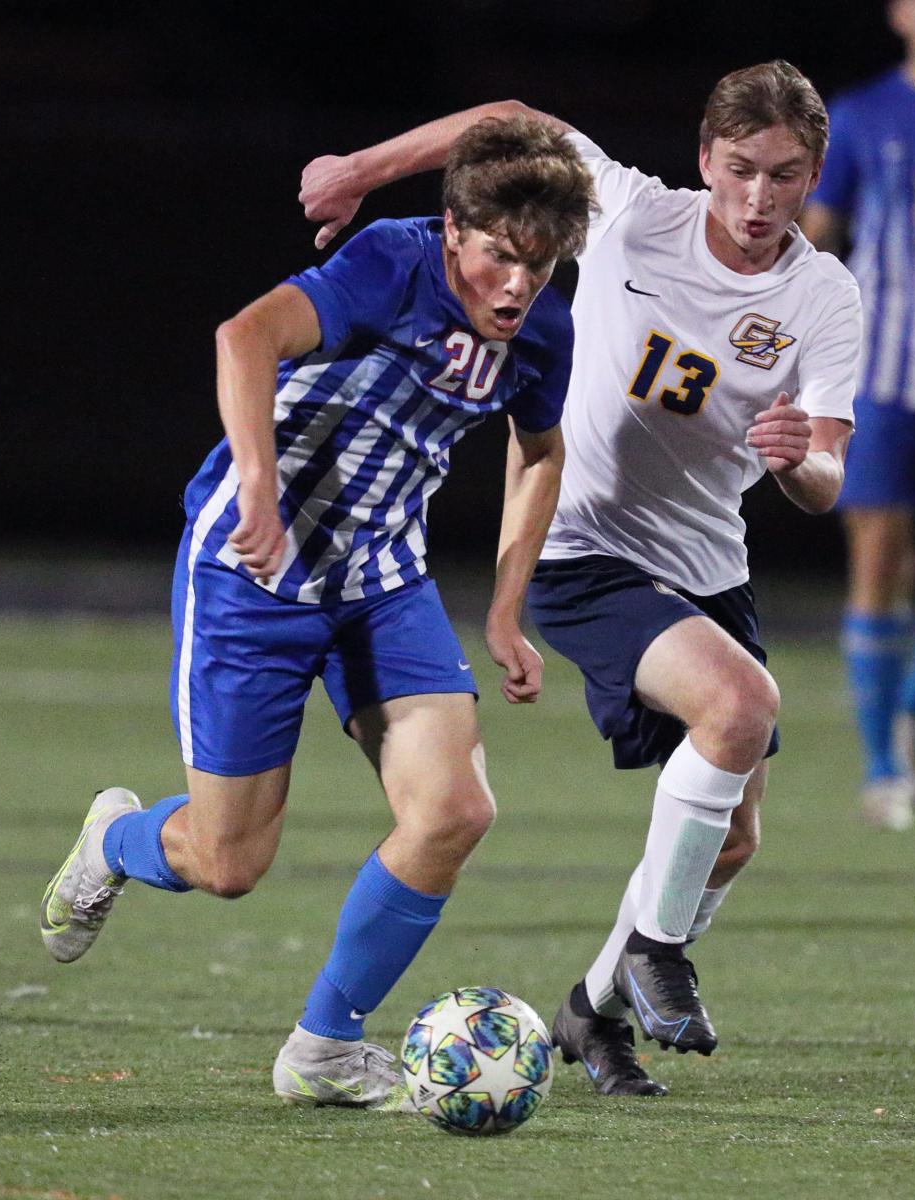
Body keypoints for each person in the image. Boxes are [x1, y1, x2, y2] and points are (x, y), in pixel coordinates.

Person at [298, 60, 861, 1097]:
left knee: (730, 842)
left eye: (783, 176)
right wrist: (361, 170)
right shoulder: (634, 212)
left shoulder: (821, 295)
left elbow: (828, 476)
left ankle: (592, 1011)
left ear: (812, 173)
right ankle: (655, 953)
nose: (757, 199)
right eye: (739, 170)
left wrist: (796, 463)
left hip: (708, 567)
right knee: (740, 706)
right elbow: (512, 116)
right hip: (585, 548)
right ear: (706, 161)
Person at [40, 116, 597, 1110]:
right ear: (458, 230)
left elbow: (541, 450)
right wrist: (257, 482)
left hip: (381, 581)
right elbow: (244, 336)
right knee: (227, 864)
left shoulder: (545, 326)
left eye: (542, 266)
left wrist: (509, 610)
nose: (518, 287)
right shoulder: (392, 263)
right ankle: (116, 841)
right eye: (502, 259)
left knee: (455, 810)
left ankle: (325, 1049)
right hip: (253, 575)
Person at [802, 0, 915, 833]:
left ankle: (911, 706)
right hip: (884, 378)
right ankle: (886, 765)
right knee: (880, 559)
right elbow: (816, 244)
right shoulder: (862, 115)